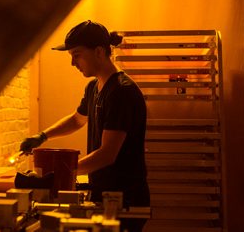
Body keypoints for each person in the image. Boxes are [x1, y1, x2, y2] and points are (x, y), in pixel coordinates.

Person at [20, 20, 150, 231]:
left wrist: (61, 174)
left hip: (125, 199)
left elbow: (107, 154)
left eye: (77, 55)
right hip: (104, 193)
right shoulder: (94, 87)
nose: (73, 63)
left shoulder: (121, 92)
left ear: (99, 51)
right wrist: (42, 136)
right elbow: (77, 120)